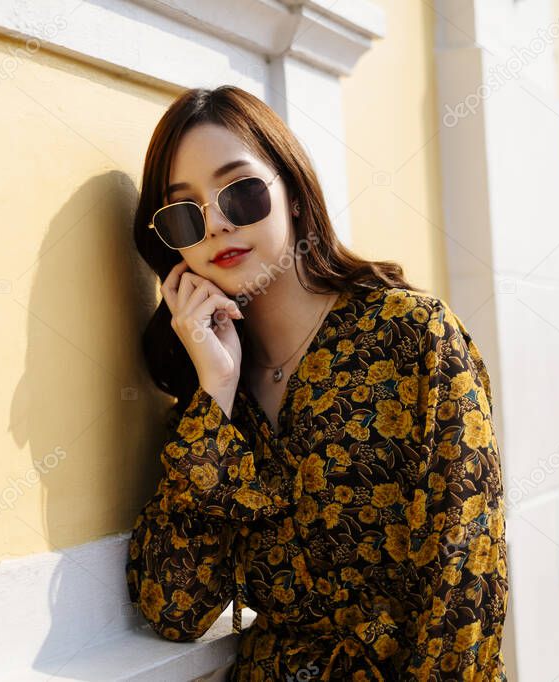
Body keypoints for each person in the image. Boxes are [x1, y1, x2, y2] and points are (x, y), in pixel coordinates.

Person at [125, 85, 508, 681]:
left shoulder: (411, 337)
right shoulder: (213, 401)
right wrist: (216, 393)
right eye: (185, 213)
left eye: (241, 192)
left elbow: (465, 580)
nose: (218, 224)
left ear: (295, 194)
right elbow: (173, 608)